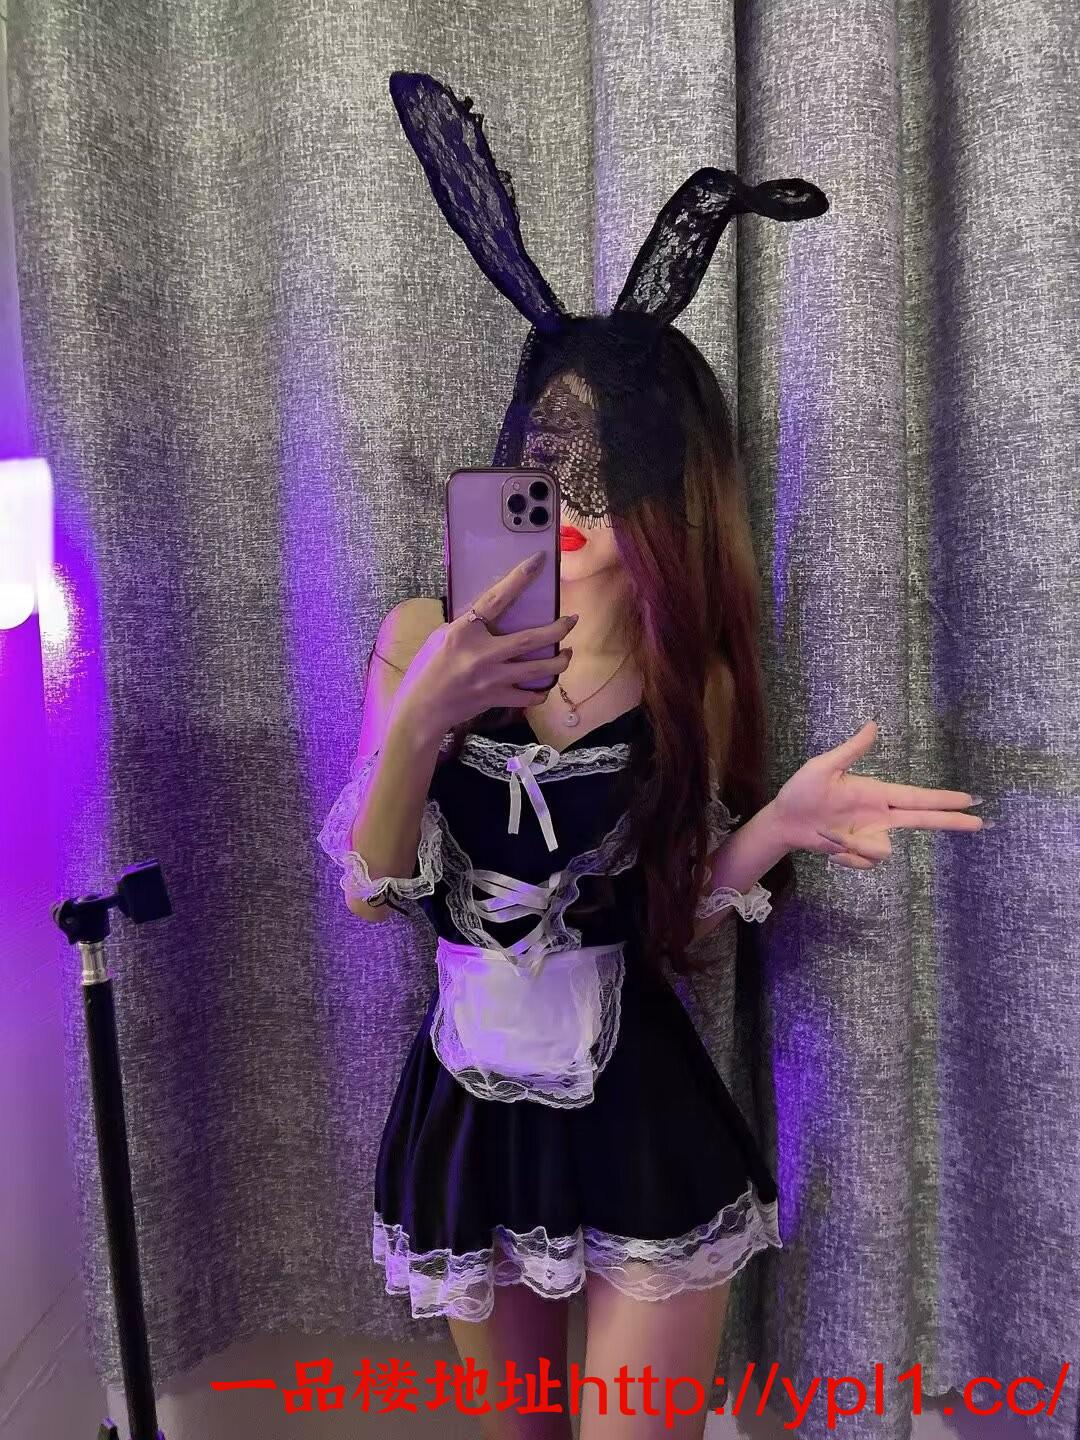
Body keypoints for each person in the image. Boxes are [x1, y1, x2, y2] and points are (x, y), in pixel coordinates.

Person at [316, 70, 988, 1440]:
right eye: (547, 449)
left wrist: (771, 831)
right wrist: (424, 718)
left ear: (673, 482)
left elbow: (671, 925)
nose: (569, 493)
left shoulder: (700, 676)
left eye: (607, 462)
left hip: (640, 1102)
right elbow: (370, 894)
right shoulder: (421, 636)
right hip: (470, 1107)